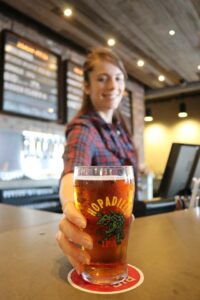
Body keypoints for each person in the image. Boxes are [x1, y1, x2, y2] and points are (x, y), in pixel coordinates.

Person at [56, 47, 138, 274]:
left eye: (118, 78)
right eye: (102, 79)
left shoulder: (121, 129)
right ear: (86, 86)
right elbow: (72, 169)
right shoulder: (84, 128)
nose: (112, 86)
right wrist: (70, 209)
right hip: (103, 244)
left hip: (127, 236)